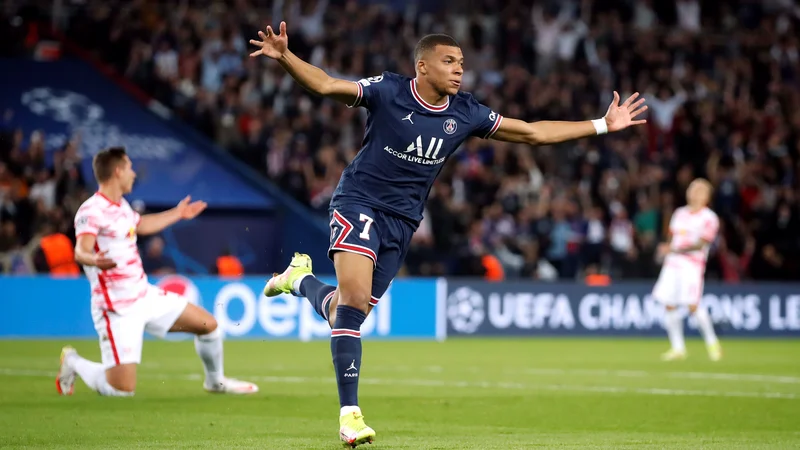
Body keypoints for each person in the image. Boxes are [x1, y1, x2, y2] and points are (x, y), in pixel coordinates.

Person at [250, 23, 647, 447]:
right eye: (449, 62)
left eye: (462, 63)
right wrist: (286, 57)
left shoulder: (466, 112)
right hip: (359, 202)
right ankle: (350, 415)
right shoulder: (389, 90)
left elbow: (532, 132)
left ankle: (299, 280)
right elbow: (329, 85)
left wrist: (603, 125)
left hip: (403, 222)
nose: (459, 71)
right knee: (351, 305)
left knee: (348, 311)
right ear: (422, 66)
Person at [56, 147, 258, 397]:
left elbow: (141, 225)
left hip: (143, 295)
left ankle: (215, 382)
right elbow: (80, 251)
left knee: (209, 325)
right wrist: (93, 259)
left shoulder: (122, 207)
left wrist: (177, 213)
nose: (133, 174)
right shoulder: (91, 211)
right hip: (116, 307)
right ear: (117, 171)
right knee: (122, 391)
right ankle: (73, 361)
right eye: (129, 168)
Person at [653, 178, 722, 362]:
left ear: (707, 197)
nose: (694, 193)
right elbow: (672, 238)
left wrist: (674, 250)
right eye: (692, 189)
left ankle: (712, 343)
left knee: (692, 306)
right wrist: (666, 251)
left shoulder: (709, 218)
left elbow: (701, 244)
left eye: (699, 191)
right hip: (672, 264)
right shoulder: (679, 213)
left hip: (692, 265)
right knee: (668, 303)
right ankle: (678, 348)